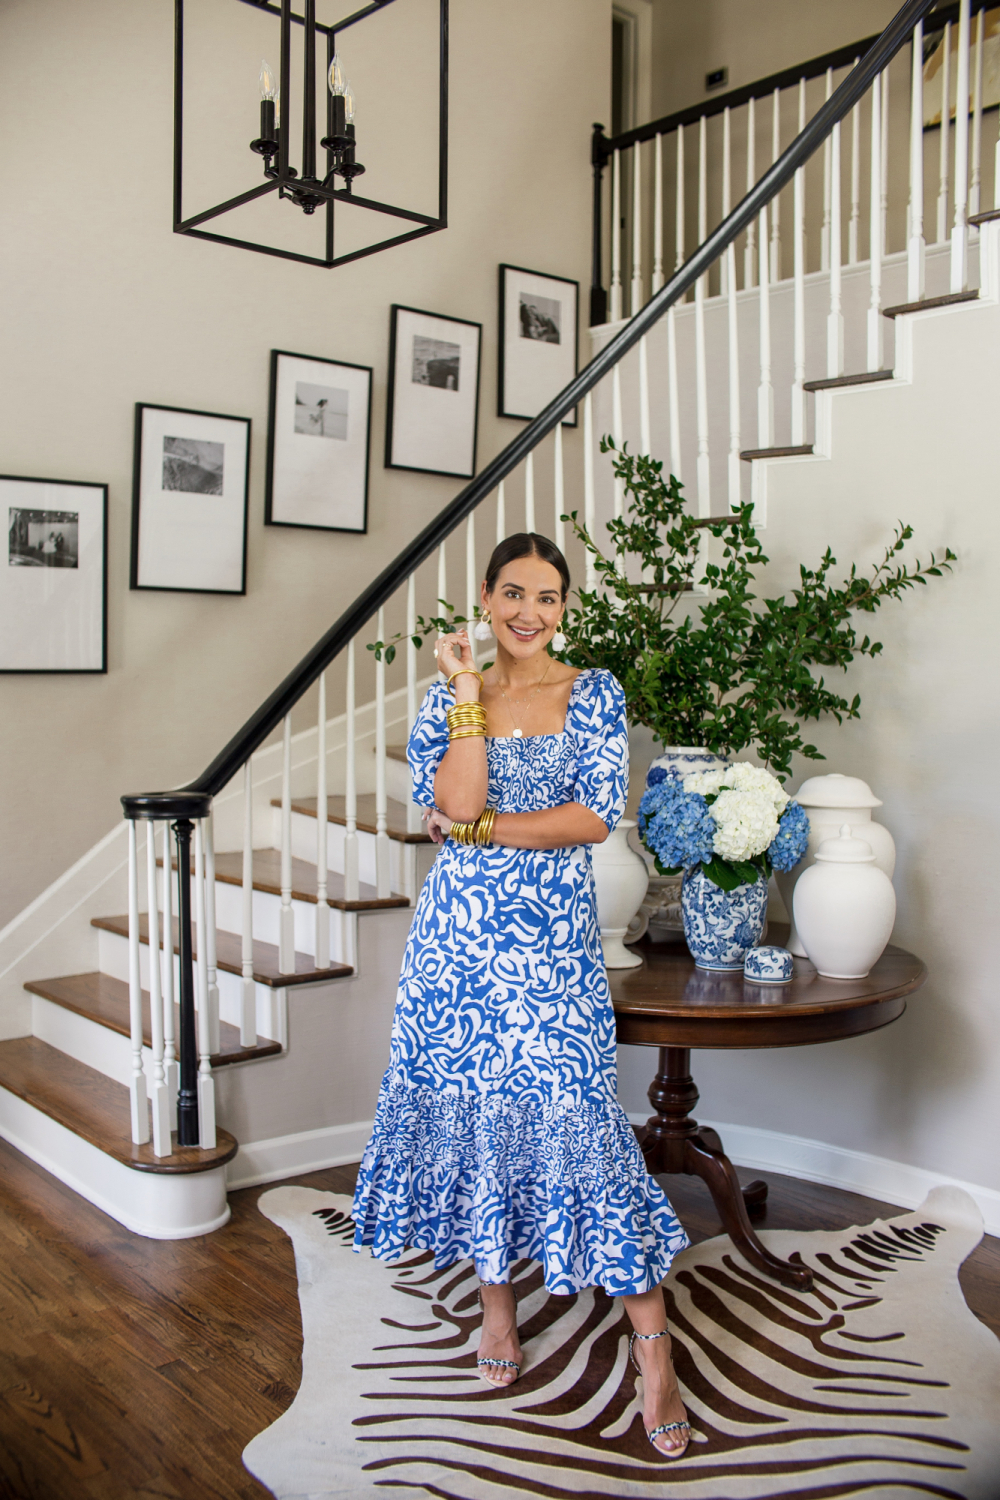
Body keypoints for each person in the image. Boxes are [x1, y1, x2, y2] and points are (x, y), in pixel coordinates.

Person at [352, 533, 692, 1459]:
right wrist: (466, 694)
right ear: (486, 598)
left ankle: (652, 1351)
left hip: (547, 953)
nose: (528, 613)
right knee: (474, 1121)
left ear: (565, 606)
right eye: (512, 594)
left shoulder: (594, 693)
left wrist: (485, 829)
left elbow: (590, 815)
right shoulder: (446, 697)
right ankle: (497, 1310)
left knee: (579, 1122)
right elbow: (450, 808)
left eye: (546, 597)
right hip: (454, 952)